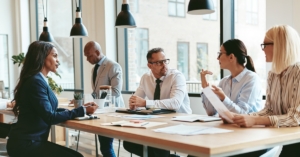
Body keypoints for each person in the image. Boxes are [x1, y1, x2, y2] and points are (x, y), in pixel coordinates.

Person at [7, 41, 98, 157]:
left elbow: (47, 111)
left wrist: (81, 109)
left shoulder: (37, 79)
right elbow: (50, 116)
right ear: (42, 57)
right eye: (54, 56)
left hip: (29, 141)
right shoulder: (36, 82)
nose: (58, 60)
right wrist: (81, 111)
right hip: (27, 144)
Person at [231, 25, 300, 157]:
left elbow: (296, 117)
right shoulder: (273, 74)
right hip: (288, 139)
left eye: (265, 45)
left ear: (279, 46)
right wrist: (243, 118)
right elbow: (269, 110)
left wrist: (255, 121)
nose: (262, 49)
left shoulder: (298, 72)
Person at [123, 47, 192, 157]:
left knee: (157, 145)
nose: (164, 65)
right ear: (150, 65)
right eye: (159, 63)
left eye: (165, 61)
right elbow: (136, 99)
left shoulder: (176, 76)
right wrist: (133, 103)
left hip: (180, 121)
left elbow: (175, 103)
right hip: (158, 121)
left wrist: (145, 103)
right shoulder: (146, 78)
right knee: (129, 142)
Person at [201, 39, 263, 116]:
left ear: (231, 57)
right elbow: (211, 112)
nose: (218, 58)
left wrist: (223, 98)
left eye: (220, 53)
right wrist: (206, 89)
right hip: (228, 127)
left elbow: (242, 113)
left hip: (248, 128)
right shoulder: (224, 81)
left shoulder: (251, 79)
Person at [84, 41, 124, 157]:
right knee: (104, 147)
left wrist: (99, 97)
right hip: (100, 112)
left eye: (89, 56)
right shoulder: (94, 69)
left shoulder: (113, 66)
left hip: (112, 112)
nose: (87, 59)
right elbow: (96, 92)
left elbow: (116, 92)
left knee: (106, 147)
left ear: (97, 52)